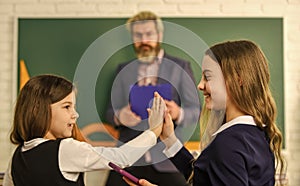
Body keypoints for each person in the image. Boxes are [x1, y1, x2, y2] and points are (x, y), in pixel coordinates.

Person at [124, 40, 286, 186]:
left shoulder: (228, 144)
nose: (200, 85)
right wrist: (169, 139)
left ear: (238, 79)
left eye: (207, 77)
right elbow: (205, 178)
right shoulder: (252, 133)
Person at [3, 74, 167, 186]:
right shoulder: (65, 149)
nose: (75, 114)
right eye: (67, 107)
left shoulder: (16, 157)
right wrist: (154, 131)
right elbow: (122, 157)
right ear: (38, 110)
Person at [105, 11, 200, 186]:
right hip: (129, 157)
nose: (144, 40)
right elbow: (109, 112)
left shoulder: (180, 66)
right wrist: (120, 117)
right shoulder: (122, 69)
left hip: (168, 160)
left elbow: (196, 110)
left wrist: (178, 113)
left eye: (149, 34)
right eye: (138, 35)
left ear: (159, 35)